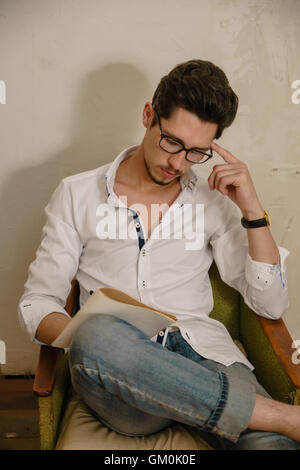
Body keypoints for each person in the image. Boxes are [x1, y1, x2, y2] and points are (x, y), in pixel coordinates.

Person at [18, 59, 300, 450]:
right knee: (97, 334)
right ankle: (281, 417)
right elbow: (37, 303)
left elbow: (269, 305)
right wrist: (82, 337)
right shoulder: (76, 194)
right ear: (149, 115)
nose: (178, 163)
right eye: (172, 142)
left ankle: (247, 418)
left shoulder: (213, 201)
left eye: (197, 153)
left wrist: (253, 212)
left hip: (205, 358)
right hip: (124, 378)